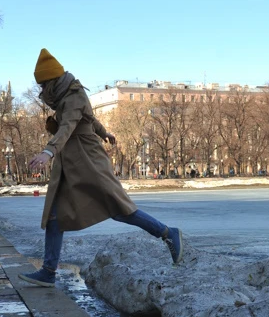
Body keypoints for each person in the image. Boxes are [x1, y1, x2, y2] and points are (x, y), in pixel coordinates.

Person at [18, 48, 184, 288]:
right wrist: (105, 132)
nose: (42, 91)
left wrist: (48, 151)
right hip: (71, 163)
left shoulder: (73, 95)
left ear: (53, 81)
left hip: (88, 161)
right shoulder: (68, 95)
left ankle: (168, 233)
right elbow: (90, 119)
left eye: (44, 85)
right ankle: (48, 271)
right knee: (55, 216)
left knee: (119, 209)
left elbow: (68, 125)